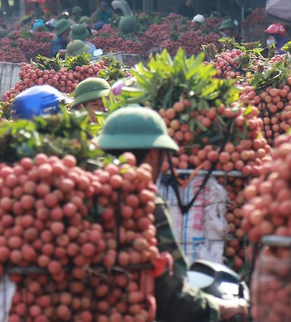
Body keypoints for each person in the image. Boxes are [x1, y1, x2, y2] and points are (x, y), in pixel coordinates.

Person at [94, 106, 250, 321]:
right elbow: (172, 296)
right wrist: (219, 310)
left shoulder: (82, 195)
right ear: (152, 154)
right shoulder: (144, 204)